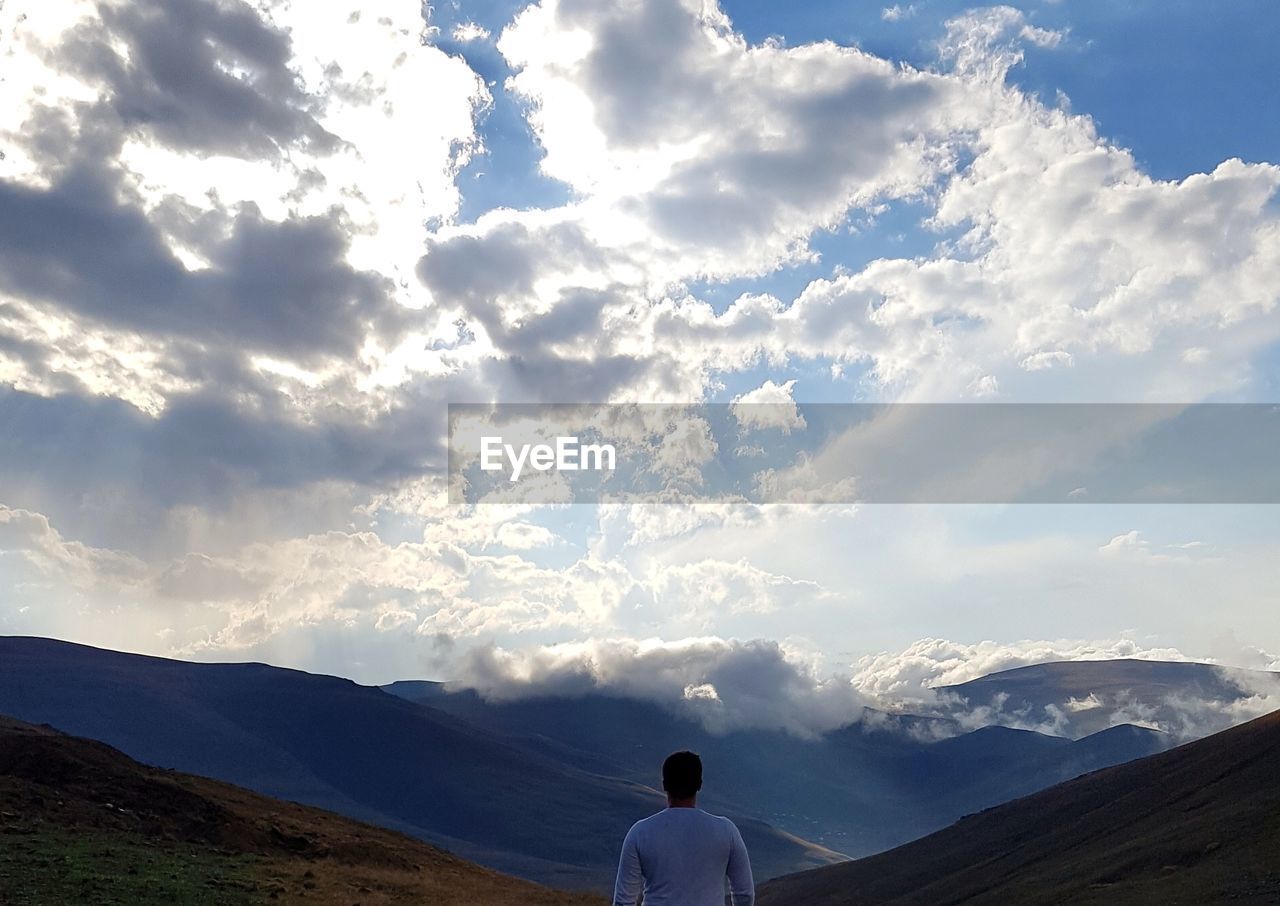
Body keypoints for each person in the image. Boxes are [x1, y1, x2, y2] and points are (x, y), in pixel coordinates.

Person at [612, 750, 755, 906]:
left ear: (664, 785)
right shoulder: (727, 831)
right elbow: (745, 894)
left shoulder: (639, 833)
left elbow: (623, 901)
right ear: (699, 785)